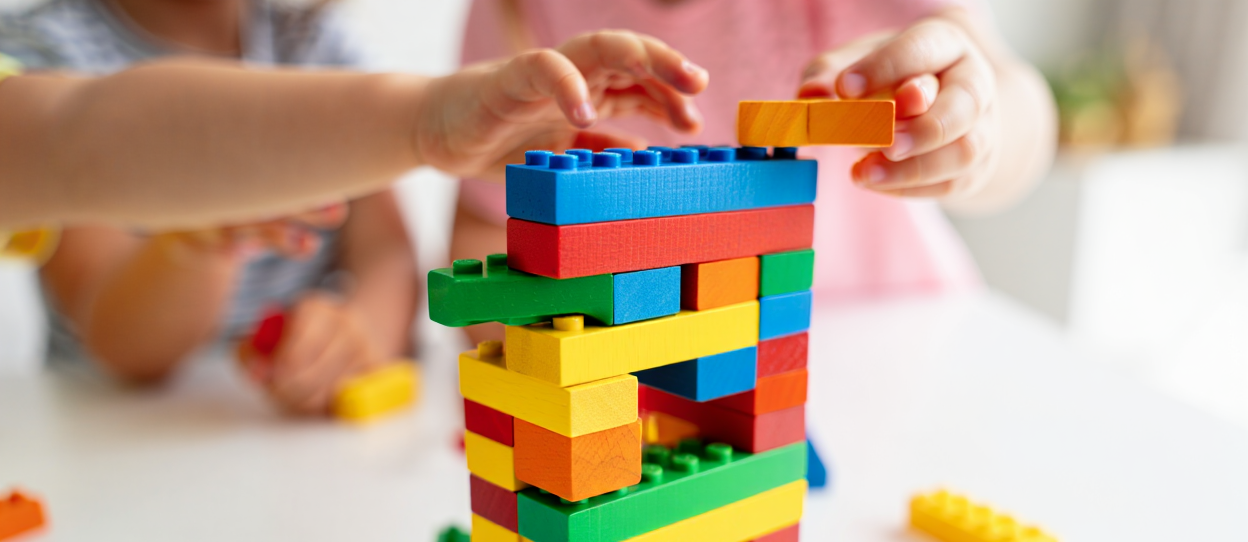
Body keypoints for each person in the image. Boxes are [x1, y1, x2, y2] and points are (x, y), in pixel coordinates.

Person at [0, 18, 706, 409]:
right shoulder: (48, 52)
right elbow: (121, 345)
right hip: (112, 434)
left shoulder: (307, 43)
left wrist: (360, 330)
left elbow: (386, 254)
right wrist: (198, 245)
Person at [450, 0, 1057, 301]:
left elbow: (1020, 101)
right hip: (675, 366)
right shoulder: (519, 15)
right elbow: (486, 224)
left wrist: (980, 129)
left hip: (893, 324)